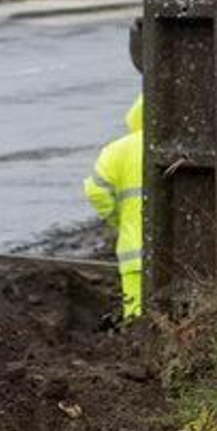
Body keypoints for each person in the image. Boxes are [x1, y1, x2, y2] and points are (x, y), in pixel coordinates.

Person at [83, 92, 145, 319]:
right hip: (182, 254)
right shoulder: (182, 145)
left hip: (134, 252)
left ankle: (140, 347)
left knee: (138, 315)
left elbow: (95, 190)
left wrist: (117, 218)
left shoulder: (118, 150)